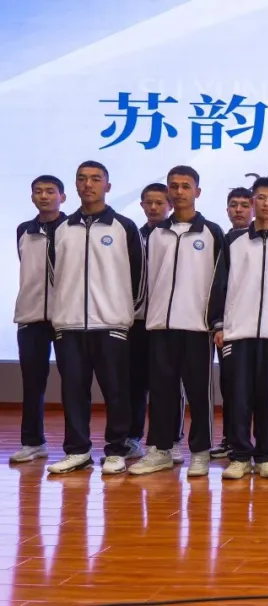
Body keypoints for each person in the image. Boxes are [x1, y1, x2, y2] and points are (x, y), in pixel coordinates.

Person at [46, 161, 145, 475]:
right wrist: (64, 309)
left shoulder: (124, 227)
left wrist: (122, 314)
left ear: (108, 186)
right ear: (76, 185)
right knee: (73, 392)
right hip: (69, 325)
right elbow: (55, 275)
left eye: (95, 179)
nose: (88, 184)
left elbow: (139, 278)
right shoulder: (61, 228)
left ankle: (116, 450)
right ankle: (77, 450)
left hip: (112, 324)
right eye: (82, 179)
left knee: (117, 391)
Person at [128, 165, 224, 478]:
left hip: (197, 327)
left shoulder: (212, 232)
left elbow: (221, 282)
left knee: (198, 393)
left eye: (185, 186)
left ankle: (200, 451)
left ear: (197, 191)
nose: (179, 191)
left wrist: (216, 321)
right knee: (160, 391)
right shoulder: (155, 233)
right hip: (159, 325)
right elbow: (146, 279)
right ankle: (160, 449)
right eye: (174, 185)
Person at [207, 176, 268, 480]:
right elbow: (219, 284)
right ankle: (239, 456)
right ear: (253, 202)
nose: (266, 204)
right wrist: (218, 323)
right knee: (238, 397)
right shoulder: (234, 241)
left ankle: (264, 456)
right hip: (237, 332)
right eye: (261, 198)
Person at [10, 176, 67, 464]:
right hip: (30, 317)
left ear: (62, 197)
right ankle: (33, 442)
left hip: (66, 318)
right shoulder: (24, 230)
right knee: (32, 383)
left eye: (50, 192)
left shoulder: (73, 229)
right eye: (38, 192)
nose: (44, 196)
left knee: (74, 383)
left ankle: (77, 446)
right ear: (32, 197)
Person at [124, 183, 171, 464]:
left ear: (170, 205)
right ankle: (132, 438)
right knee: (135, 382)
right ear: (141, 205)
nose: (153, 208)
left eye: (159, 203)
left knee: (165, 385)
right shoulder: (134, 236)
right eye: (148, 203)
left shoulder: (175, 236)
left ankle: (167, 441)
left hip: (166, 321)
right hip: (138, 321)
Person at [210, 187, 254, 460]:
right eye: (234, 205)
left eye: (244, 205)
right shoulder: (220, 240)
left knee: (257, 390)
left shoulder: (264, 241)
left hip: (260, 327)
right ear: (227, 209)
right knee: (231, 387)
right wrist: (218, 323)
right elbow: (217, 285)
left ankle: (256, 444)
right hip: (228, 328)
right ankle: (231, 439)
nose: (239, 209)